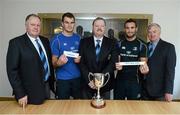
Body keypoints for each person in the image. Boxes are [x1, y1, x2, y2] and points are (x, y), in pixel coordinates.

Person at [6, 14, 55, 106]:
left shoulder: (45, 41)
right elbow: (12, 71)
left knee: (46, 110)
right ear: (26, 26)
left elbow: (47, 63)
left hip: (46, 86)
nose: (36, 27)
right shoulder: (16, 43)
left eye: (38, 25)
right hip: (28, 92)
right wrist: (20, 94)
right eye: (33, 25)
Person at [79, 17, 118, 99]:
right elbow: (81, 63)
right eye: (97, 26)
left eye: (102, 26)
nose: (99, 28)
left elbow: (113, 62)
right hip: (88, 83)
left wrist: (100, 79)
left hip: (105, 83)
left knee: (105, 109)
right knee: (86, 109)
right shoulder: (83, 42)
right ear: (92, 27)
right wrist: (89, 79)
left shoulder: (112, 43)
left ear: (105, 28)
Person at [114, 19, 149, 100]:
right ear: (124, 29)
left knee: (134, 107)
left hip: (135, 81)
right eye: (127, 28)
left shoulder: (142, 45)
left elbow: (143, 64)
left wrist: (144, 68)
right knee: (118, 106)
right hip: (120, 80)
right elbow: (117, 61)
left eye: (132, 27)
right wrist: (117, 66)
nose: (130, 30)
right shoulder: (119, 43)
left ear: (136, 29)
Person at [141, 23, 176, 102]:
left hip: (160, 92)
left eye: (154, 31)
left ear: (159, 33)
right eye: (149, 32)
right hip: (144, 90)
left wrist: (169, 91)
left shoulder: (168, 47)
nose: (152, 34)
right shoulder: (144, 47)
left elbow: (170, 71)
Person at [50, 12, 81, 99]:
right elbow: (53, 63)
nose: (69, 25)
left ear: (74, 23)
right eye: (67, 22)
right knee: (62, 106)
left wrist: (80, 60)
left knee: (78, 105)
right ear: (62, 23)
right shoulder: (56, 40)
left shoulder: (78, 38)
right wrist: (59, 63)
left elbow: (83, 56)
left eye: (72, 22)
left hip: (78, 78)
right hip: (63, 79)